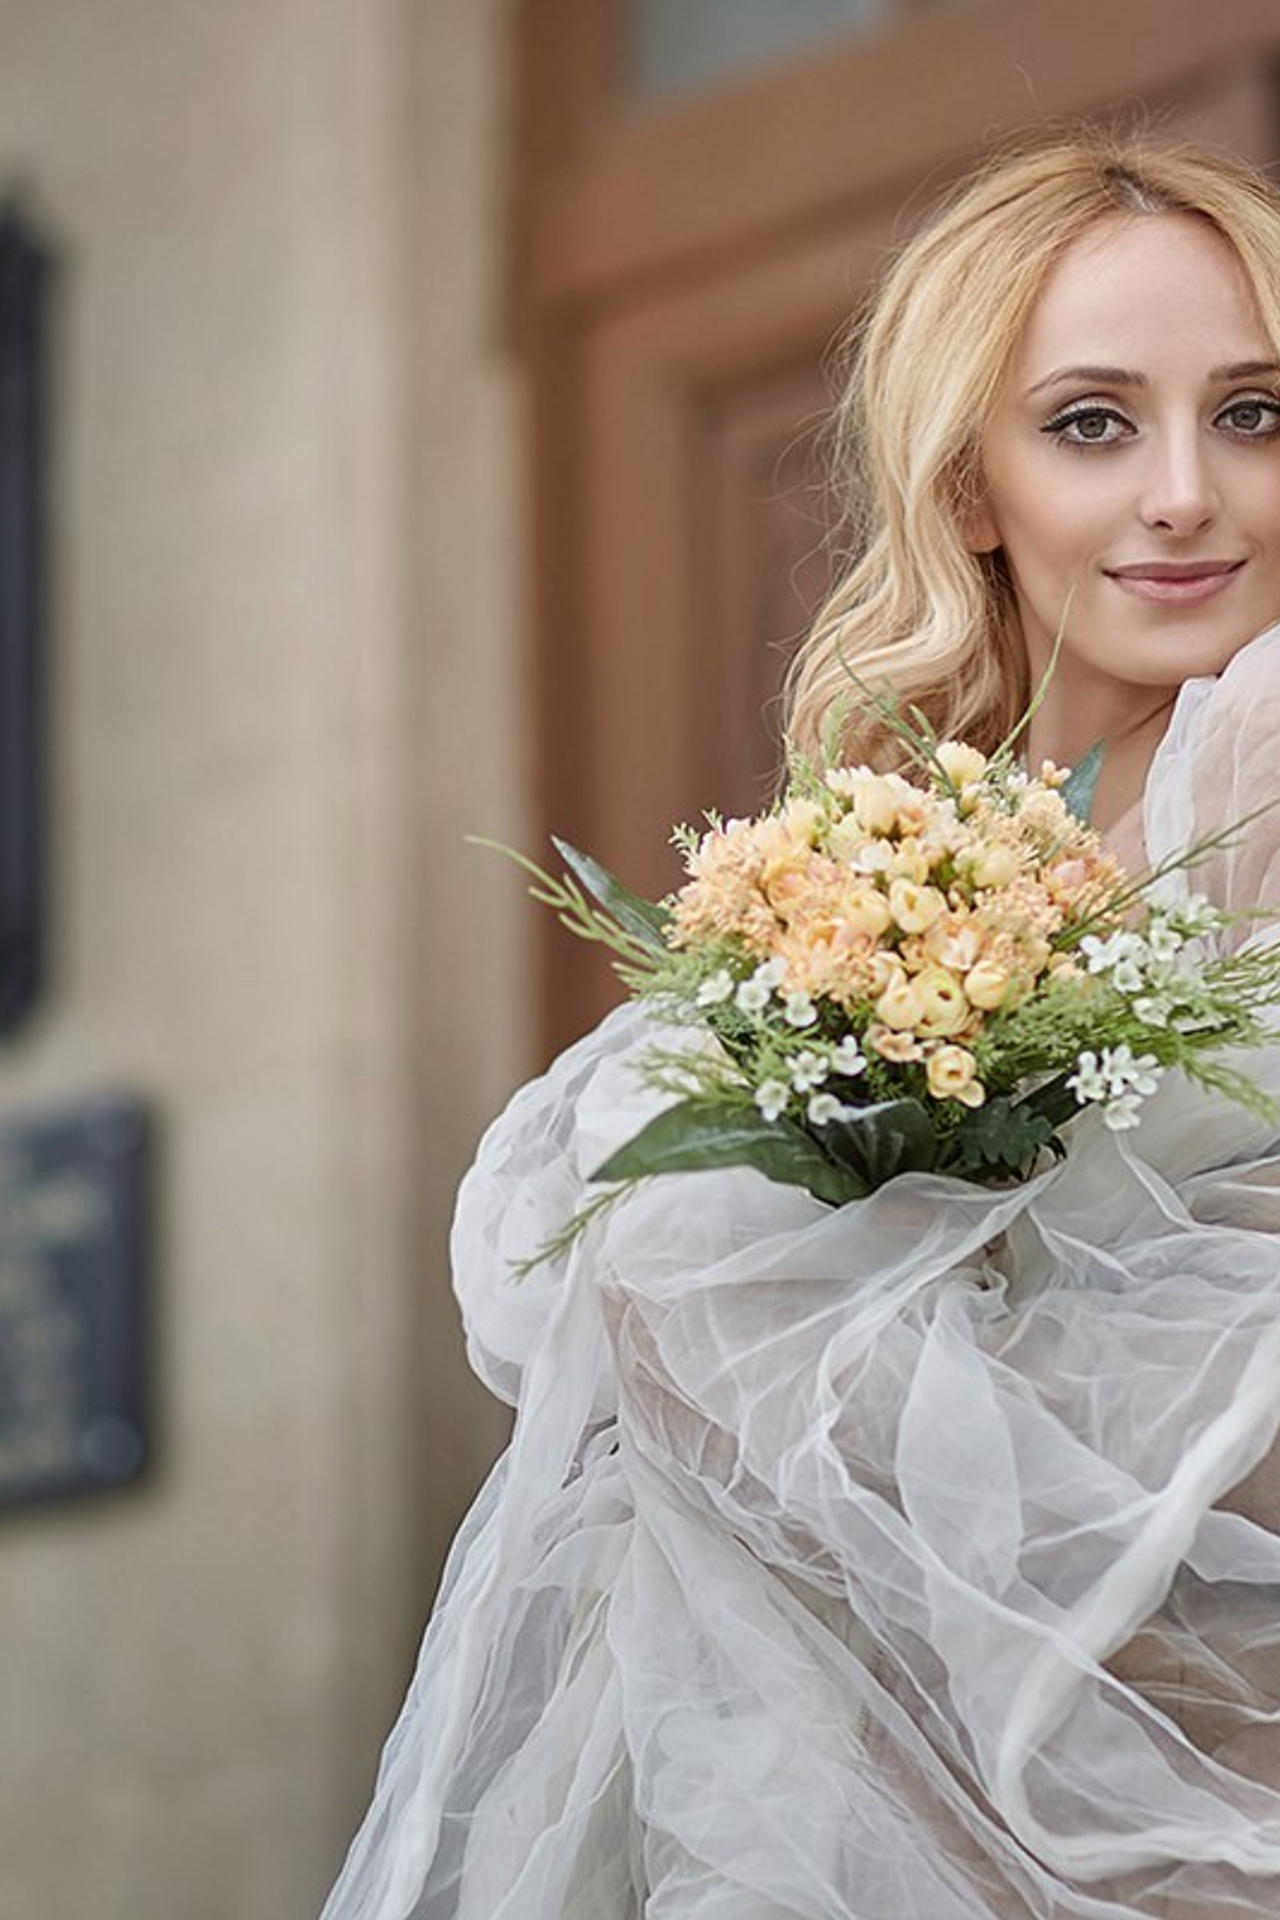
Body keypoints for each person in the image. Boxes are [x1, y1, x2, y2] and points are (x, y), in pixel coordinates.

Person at [323, 134, 1280, 1919]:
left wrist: (835, 1343)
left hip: (1194, 1749)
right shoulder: (910, 850)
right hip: (858, 1759)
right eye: (1092, 422)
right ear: (971, 486)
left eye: (1253, 412)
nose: (1184, 494)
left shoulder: (1267, 752)